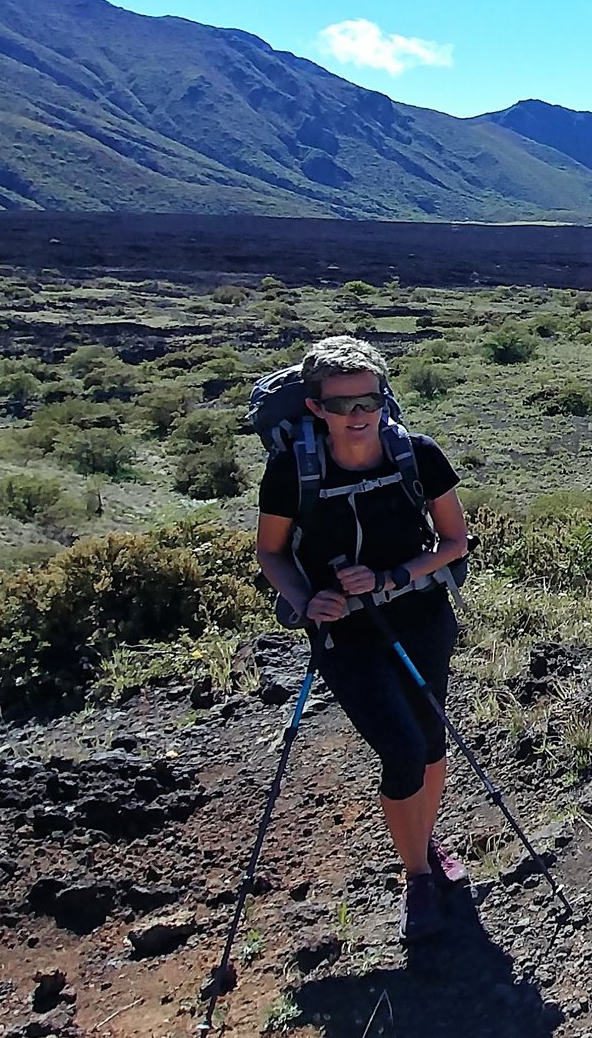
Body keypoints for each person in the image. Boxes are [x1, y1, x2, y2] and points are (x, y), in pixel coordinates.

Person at [255, 335, 472, 943]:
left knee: (431, 739)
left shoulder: (418, 456)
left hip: (421, 618)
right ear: (315, 406)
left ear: (383, 397)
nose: (358, 415)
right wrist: (305, 600)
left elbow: (454, 543)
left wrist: (391, 576)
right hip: (345, 636)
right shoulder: (290, 471)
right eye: (342, 403)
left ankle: (421, 840)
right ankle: (418, 874)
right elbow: (272, 553)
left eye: (369, 400)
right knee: (401, 749)